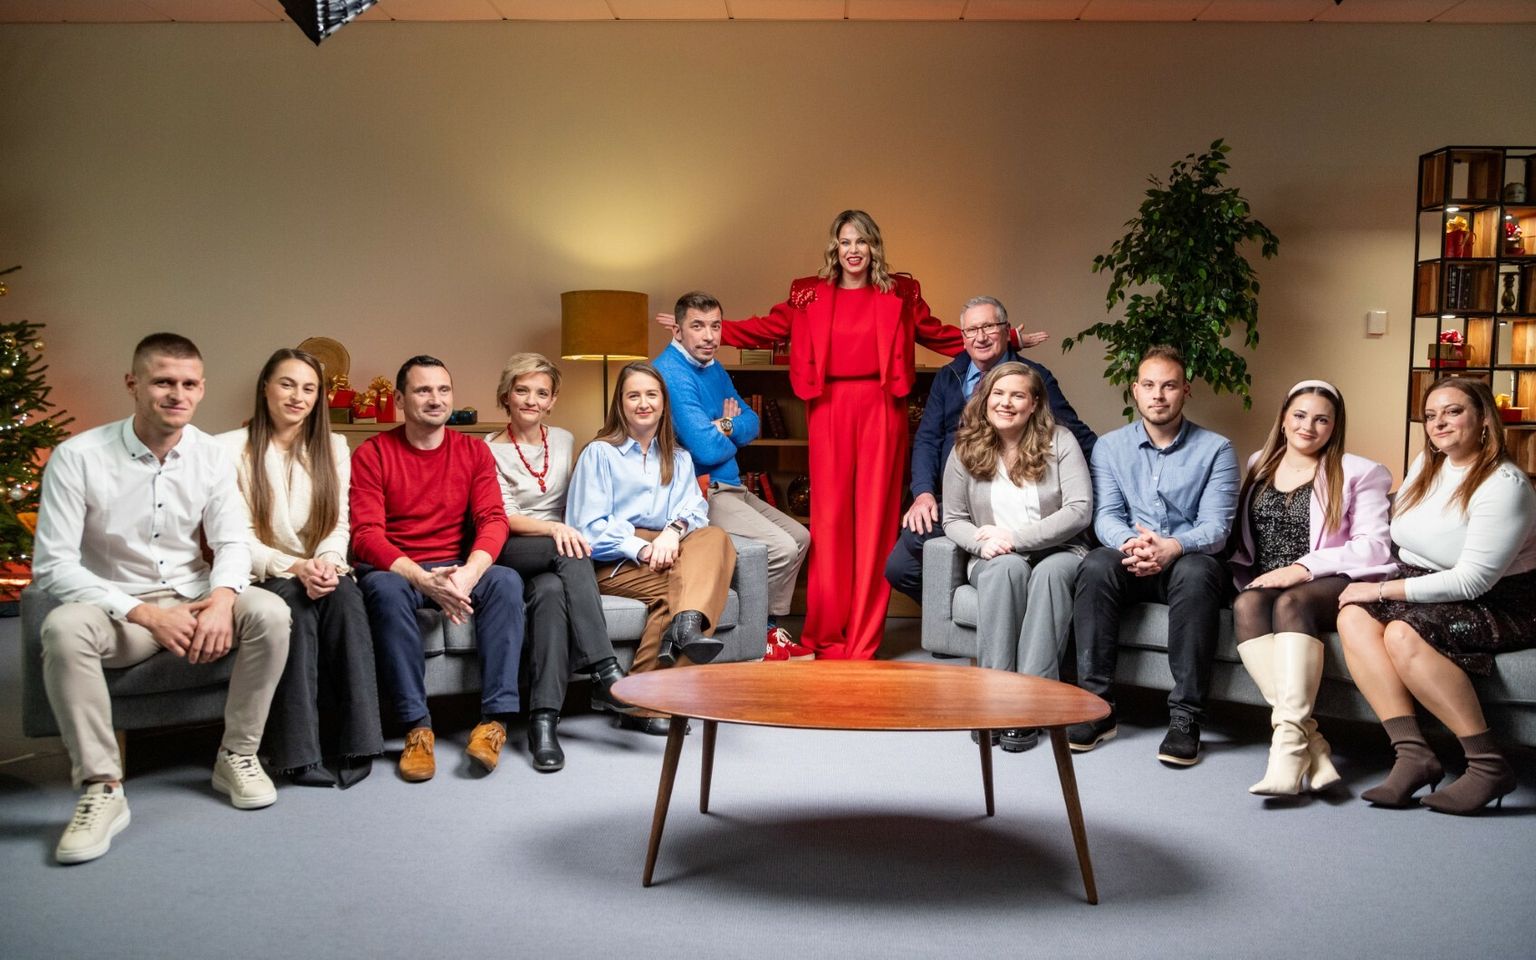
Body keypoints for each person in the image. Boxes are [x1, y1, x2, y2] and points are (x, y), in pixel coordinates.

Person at [658, 211, 1038, 660]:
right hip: (828, 410)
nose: (853, 250)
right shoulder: (809, 293)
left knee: (875, 523)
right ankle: (825, 629)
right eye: (845, 242)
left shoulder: (900, 292)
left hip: (882, 409)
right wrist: (706, 333)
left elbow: (938, 335)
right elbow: (767, 327)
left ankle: (863, 637)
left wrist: (1007, 340)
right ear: (834, 248)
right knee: (831, 521)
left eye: (861, 241)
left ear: (874, 247)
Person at [34, 333, 290, 864]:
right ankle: (102, 787)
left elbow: (232, 542)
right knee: (62, 628)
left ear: (202, 389)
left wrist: (222, 600)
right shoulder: (77, 457)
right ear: (133, 384)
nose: (178, 394)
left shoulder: (211, 455)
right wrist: (147, 614)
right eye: (163, 382)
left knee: (270, 611)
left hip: (194, 597)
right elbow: (54, 564)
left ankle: (237, 755)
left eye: (189, 384)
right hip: (119, 611)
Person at [1337, 377, 1536, 814]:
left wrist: (1381, 587)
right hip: (1422, 583)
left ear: (1484, 419)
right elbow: (1404, 542)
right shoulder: (1428, 465)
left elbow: (1472, 582)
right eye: (1430, 415)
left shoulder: (1505, 485)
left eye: (1453, 411)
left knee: (1402, 633)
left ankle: (1487, 764)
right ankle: (1412, 754)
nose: (1439, 423)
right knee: (1353, 614)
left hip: (1498, 600)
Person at [350, 355, 524, 782]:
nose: (435, 399)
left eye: (443, 390)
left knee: (505, 581)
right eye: (423, 390)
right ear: (400, 399)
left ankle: (494, 722)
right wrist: (421, 578)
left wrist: (469, 573)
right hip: (399, 570)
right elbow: (365, 534)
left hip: (456, 567)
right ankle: (417, 727)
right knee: (384, 590)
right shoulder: (373, 453)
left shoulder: (474, 451)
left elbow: (494, 519)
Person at [217, 348, 382, 789]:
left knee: (346, 597)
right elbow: (235, 537)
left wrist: (326, 564)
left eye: (309, 388)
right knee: (296, 608)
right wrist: (294, 566)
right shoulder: (227, 448)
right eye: (287, 384)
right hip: (262, 572)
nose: (298, 396)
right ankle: (297, 755)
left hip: (318, 565)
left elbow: (338, 523)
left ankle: (359, 743)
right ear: (265, 388)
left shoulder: (333, 446)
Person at [1066, 345, 1239, 766]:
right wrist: (1133, 544)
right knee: (1095, 564)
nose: (1158, 395)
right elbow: (1106, 515)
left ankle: (1185, 718)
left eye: (1169, 386)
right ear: (1135, 390)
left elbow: (1217, 527)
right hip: (1132, 557)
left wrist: (1172, 547)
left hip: (1187, 560)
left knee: (1197, 572)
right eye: (1149, 385)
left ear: (1186, 390)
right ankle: (1096, 708)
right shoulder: (1109, 447)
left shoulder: (1216, 449)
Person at [1228, 380, 1393, 796]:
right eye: (1300, 415)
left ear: (1335, 427)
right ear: (1284, 419)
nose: (1308, 426)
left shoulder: (1360, 471)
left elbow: (1374, 546)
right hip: (1269, 579)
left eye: (1322, 420)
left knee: (1290, 602)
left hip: (1329, 580)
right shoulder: (1259, 463)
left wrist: (1303, 568)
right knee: (1246, 604)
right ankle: (1312, 744)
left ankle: (1285, 751)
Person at [887, 295, 1095, 605]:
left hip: (1016, 495)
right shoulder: (949, 376)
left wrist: (1114, 473)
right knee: (901, 568)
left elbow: (1074, 432)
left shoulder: (1033, 377)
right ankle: (983, 600)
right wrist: (923, 493)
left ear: (1006, 331)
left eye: (989, 327)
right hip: (958, 496)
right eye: (971, 330)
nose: (980, 337)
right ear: (962, 337)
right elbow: (927, 439)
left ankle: (1000, 589)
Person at [566, 361, 737, 736]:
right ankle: (654, 692)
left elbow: (694, 510)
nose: (643, 403)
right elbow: (586, 527)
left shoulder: (679, 457)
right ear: (620, 403)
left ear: (663, 402)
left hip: (668, 550)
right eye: (634, 395)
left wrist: (673, 533)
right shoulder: (600, 453)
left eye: (651, 395)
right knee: (694, 590)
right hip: (614, 562)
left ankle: (679, 635)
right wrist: (641, 549)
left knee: (716, 539)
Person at [486, 353, 633, 772]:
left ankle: (543, 723)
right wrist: (556, 530)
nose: (531, 400)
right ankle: (604, 669)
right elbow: (503, 516)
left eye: (541, 393)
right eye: (522, 390)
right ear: (506, 395)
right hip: (513, 546)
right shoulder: (488, 449)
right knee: (572, 548)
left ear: (552, 401)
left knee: (550, 595)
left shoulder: (566, 441)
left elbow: (583, 497)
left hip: (558, 554)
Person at [940, 362, 1092, 753]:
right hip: (995, 555)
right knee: (1006, 570)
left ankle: (1030, 702)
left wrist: (1016, 538)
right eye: (999, 394)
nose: (1006, 403)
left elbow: (1079, 510)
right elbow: (953, 518)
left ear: (1034, 403)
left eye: (1018, 395)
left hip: (1059, 550)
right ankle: (994, 698)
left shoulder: (1060, 441)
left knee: (1050, 575)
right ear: (985, 399)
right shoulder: (964, 448)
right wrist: (981, 545)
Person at [653, 291, 812, 661]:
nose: (709, 336)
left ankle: (769, 628)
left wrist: (722, 425)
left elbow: (752, 423)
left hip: (732, 483)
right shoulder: (672, 373)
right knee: (781, 547)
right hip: (705, 489)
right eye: (697, 326)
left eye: (716, 326)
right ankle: (761, 635)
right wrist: (730, 429)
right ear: (677, 331)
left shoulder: (712, 367)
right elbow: (705, 451)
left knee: (801, 537)